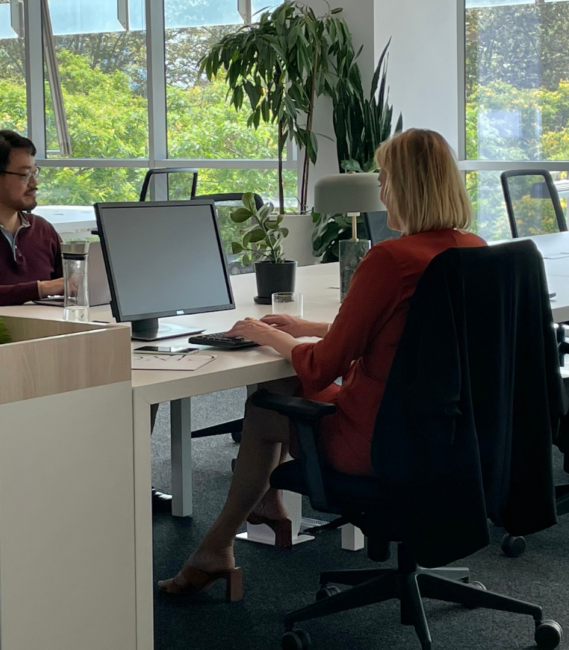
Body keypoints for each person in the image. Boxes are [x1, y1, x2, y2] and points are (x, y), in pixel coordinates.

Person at [158, 128, 487, 598]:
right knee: (278, 393)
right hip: (447, 435)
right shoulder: (472, 250)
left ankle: (218, 545)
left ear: (405, 186)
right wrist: (307, 326)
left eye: (385, 178)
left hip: (380, 440)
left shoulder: (390, 259)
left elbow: (319, 368)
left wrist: (267, 334)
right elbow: (410, 336)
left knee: (264, 409)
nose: (381, 189)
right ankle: (262, 510)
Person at [0, 130, 63, 306]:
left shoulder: (42, 229)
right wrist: (40, 289)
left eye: (34, 173)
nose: (34, 184)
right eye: (25, 175)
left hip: (50, 323)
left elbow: (72, 283)